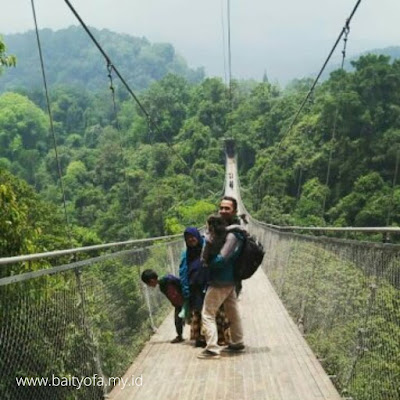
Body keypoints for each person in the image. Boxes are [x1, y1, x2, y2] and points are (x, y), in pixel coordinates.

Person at [197, 196, 246, 359]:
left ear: (234, 211)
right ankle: (237, 342)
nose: (223, 211)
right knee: (232, 310)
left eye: (227, 208)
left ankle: (212, 348)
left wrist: (207, 262)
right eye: (221, 208)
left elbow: (222, 259)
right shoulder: (227, 230)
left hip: (220, 279)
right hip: (229, 279)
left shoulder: (233, 235)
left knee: (208, 313)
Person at [179, 227, 207, 347]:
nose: (190, 240)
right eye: (187, 238)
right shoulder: (186, 254)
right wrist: (185, 289)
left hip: (208, 285)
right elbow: (183, 271)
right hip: (194, 287)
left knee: (209, 312)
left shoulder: (207, 248)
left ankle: (211, 337)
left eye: (192, 236)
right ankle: (200, 338)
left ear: (197, 236)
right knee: (198, 311)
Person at [141, 269, 185, 344]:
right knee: (177, 320)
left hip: (185, 301)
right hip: (178, 304)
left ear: (151, 281)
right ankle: (180, 336)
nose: (149, 286)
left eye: (148, 284)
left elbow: (178, 289)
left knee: (193, 318)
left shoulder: (168, 280)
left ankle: (200, 337)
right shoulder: (162, 286)